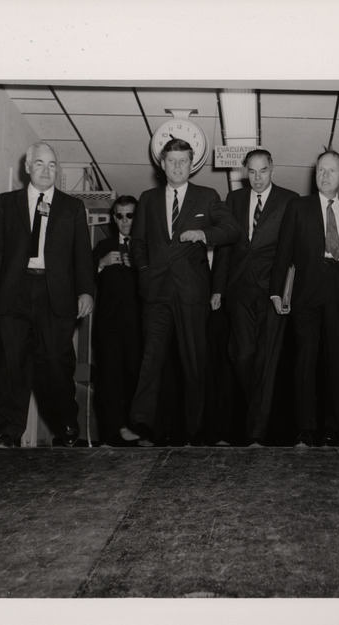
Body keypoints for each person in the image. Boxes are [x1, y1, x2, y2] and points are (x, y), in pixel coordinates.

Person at [0, 141, 94, 448]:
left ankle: (66, 425)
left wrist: (86, 291)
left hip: (55, 294)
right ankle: (8, 431)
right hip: (13, 293)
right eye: (40, 164)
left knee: (56, 362)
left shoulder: (72, 207)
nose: (46, 170)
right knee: (12, 363)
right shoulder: (6, 203)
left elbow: (82, 255)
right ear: (28, 168)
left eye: (52, 165)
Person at [129, 138, 240, 446]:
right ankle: (142, 423)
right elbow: (137, 243)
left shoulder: (207, 196)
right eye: (171, 161)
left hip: (191, 292)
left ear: (192, 165)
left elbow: (232, 230)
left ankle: (195, 429)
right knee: (150, 358)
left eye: (183, 161)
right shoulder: (148, 199)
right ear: (161, 164)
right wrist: (143, 271)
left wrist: (203, 234)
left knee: (194, 363)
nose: (177, 167)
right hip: (156, 292)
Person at [270, 150, 339, 447]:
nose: (324, 175)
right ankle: (305, 429)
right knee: (305, 362)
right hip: (307, 289)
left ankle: (333, 429)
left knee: (338, 360)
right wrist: (276, 291)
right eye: (320, 170)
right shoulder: (299, 206)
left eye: (331, 171)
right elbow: (284, 250)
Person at [212, 149, 299, 446]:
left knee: (267, 361)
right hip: (239, 290)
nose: (258, 178)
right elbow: (225, 248)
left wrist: (286, 290)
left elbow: (292, 248)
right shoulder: (234, 200)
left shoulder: (290, 200)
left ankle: (257, 432)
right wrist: (218, 288)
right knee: (243, 356)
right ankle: (261, 412)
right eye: (252, 172)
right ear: (244, 172)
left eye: (263, 171)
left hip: (271, 290)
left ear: (272, 169)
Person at [91, 196, 142, 446]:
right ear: (114, 218)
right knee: (109, 379)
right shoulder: (102, 246)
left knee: (135, 377)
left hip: (138, 325)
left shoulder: (146, 246)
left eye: (129, 215)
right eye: (120, 216)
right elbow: (85, 280)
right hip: (108, 325)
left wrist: (138, 266)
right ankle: (111, 434)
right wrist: (100, 265)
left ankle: (134, 429)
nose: (124, 221)